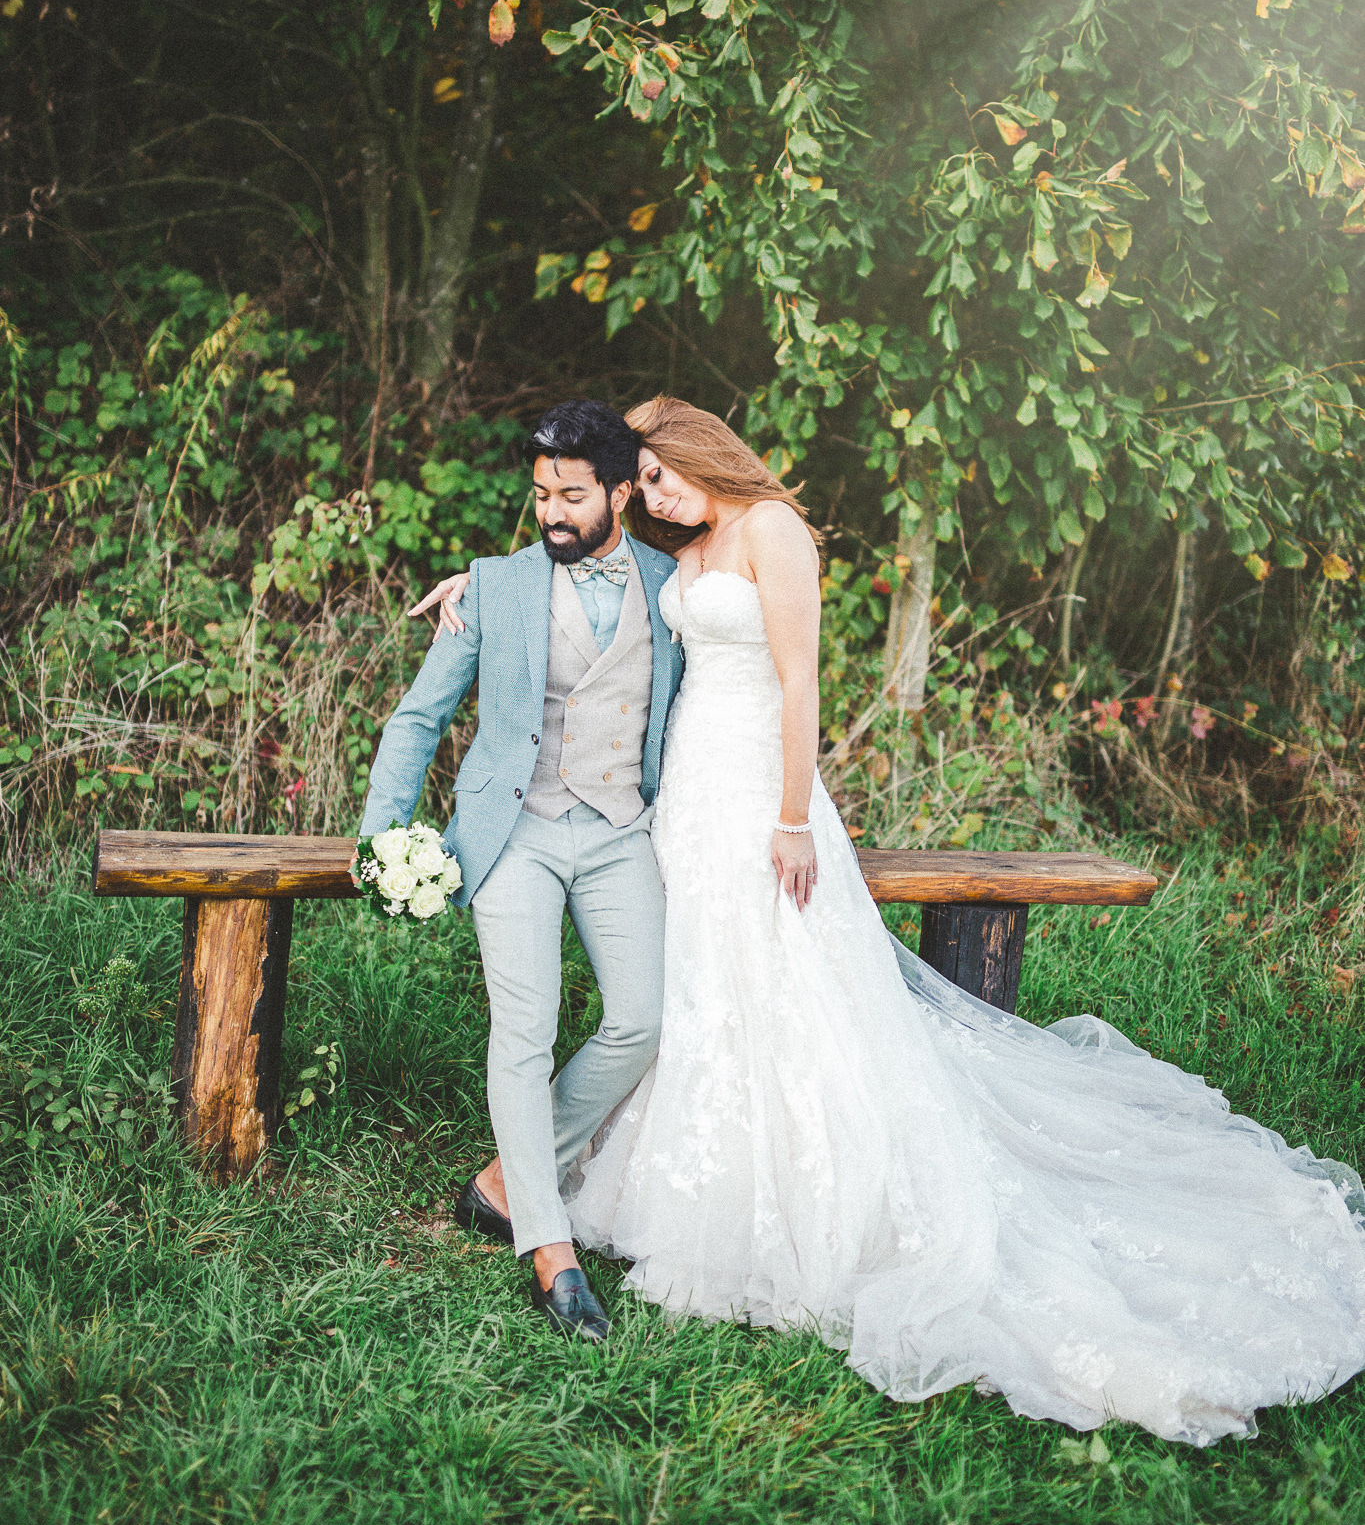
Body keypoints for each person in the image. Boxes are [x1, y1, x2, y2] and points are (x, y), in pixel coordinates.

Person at [420, 396, 1365, 1444]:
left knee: (787, 982)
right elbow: (579, 577)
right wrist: (482, 588)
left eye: (659, 475)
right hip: (686, 792)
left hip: (760, 791)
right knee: (703, 983)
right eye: (638, 482)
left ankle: (801, 1188)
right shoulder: (676, 550)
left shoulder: (774, 528)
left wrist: (791, 818)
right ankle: (656, 1172)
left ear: (699, 453)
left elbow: (800, 683)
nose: (652, 495)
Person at [354, 400, 684, 1343]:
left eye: (571, 496)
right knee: (525, 1031)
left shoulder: (674, 586)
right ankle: (550, 1249)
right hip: (515, 835)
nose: (550, 513)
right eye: (540, 494)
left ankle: (504, 1181)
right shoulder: (491, 588)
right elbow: (418, 720)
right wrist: (385, 836)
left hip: (620, 830)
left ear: (620, 492)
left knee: (642, 1020)